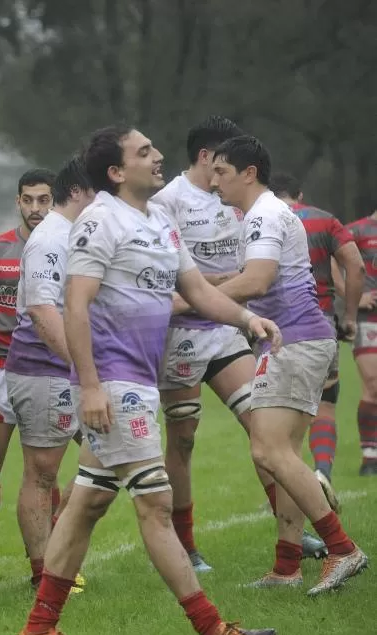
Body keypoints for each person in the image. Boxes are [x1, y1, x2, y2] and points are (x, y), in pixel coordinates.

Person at [19, 126, 279, 635]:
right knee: (156, 506)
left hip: (139, 380)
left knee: (87, 502)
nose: (158, 156)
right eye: (144, 152)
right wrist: (89, 386)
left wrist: (245, 319)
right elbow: (75, 305)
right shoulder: (98, 220)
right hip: (115, 386)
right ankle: (214, 631)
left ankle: (39, 630)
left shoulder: (159, 218)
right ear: (116, 172)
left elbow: (199, 289)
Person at [151, 116, 327, 568]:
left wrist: (225, 291)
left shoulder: (244, 198)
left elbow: (254, 270)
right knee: (184, 438)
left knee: (263, 428)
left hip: (231, 323)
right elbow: (163, 270)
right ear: (208, 158)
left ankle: (294, 529)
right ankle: (188, 546)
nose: (222, 176)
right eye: (222, 164)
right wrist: (203, 293)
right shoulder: (167, 200)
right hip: (181, 333)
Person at [208, 135, 368, 593]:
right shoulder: (264, 216)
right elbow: (245, 276)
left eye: (222, 172)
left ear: (248, 173)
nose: (214, 181)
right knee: (282, 456)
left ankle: (342, 550)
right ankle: (286, 568)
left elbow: (256, 282)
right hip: (300, 342)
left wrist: (190, 303)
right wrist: (194, 286)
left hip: (293, 343)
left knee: (267, 451)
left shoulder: (264, 215)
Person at [5, 156, 93, 592]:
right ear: (78, 191)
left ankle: (57, 551)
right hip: (44, 371)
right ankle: (46, 571)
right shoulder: (49, 239)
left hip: (73, 371)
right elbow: (42, 312)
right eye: (99, 191)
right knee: (42, 472)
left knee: (110, 460)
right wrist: (82, 368)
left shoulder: (78, 233)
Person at [0, 169, 55, 585]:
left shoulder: (66, 245)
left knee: (45, 467)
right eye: (28, 200)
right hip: (0, 366)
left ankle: (54, 558)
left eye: (44, 200)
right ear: (17, 201)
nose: (35, 208)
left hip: (49, 366)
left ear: (55, 202)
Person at [270, 172, 364, 490]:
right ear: (300, 194)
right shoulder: (324, 221)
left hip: (272, 329)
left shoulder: (255, 221)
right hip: (318, 323)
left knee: (279, 412)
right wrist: (349, 315)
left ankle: (291, 485)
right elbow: (357, 266)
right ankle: (322, 471)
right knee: (324, 403)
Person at [346, 205, 377, 476]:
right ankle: (370, 455)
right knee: (373, 384)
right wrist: (354, 296)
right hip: (369, 319)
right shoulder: (358, 229)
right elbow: (335, 259)